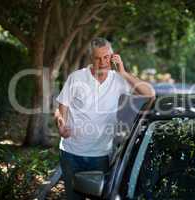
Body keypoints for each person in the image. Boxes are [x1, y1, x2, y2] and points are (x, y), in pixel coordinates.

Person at [54, 37, 155, 200]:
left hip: (101, 155)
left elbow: (150, 94)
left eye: (106, 57)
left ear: (113, 56)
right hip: (71, 153)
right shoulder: (76, 77)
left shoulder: (119, 79)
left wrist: (123, 72)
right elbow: (61, 108)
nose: (102, 62)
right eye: (97, 58)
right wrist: (61, 124)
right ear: (90, 58)